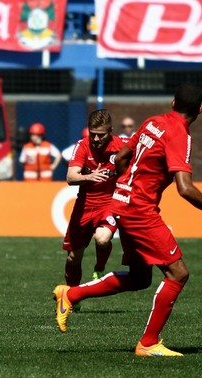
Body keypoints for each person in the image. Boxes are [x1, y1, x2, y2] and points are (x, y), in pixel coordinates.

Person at [53, 83, 202, 357]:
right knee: (179, 273)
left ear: (172, 102)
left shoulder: (153, 121)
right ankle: (148, 342)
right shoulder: (180, 133)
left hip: (123, 202)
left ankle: (70, 295)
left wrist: (126, 186)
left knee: (140, 277)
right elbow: (185, 188)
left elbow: (121, 157)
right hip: (139, 210)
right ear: (200, 109)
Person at [62, 110, 127, 300]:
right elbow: (70, 177)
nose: (96, 139)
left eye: (101, 134)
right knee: (73, 258)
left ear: (111, 132)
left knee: (102, 239)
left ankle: (99, 268)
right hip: (85, 205)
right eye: (93, 134)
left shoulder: (123, 146)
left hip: (110, 203)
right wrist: (88, 177)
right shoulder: (82, 146)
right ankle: (72, 295)